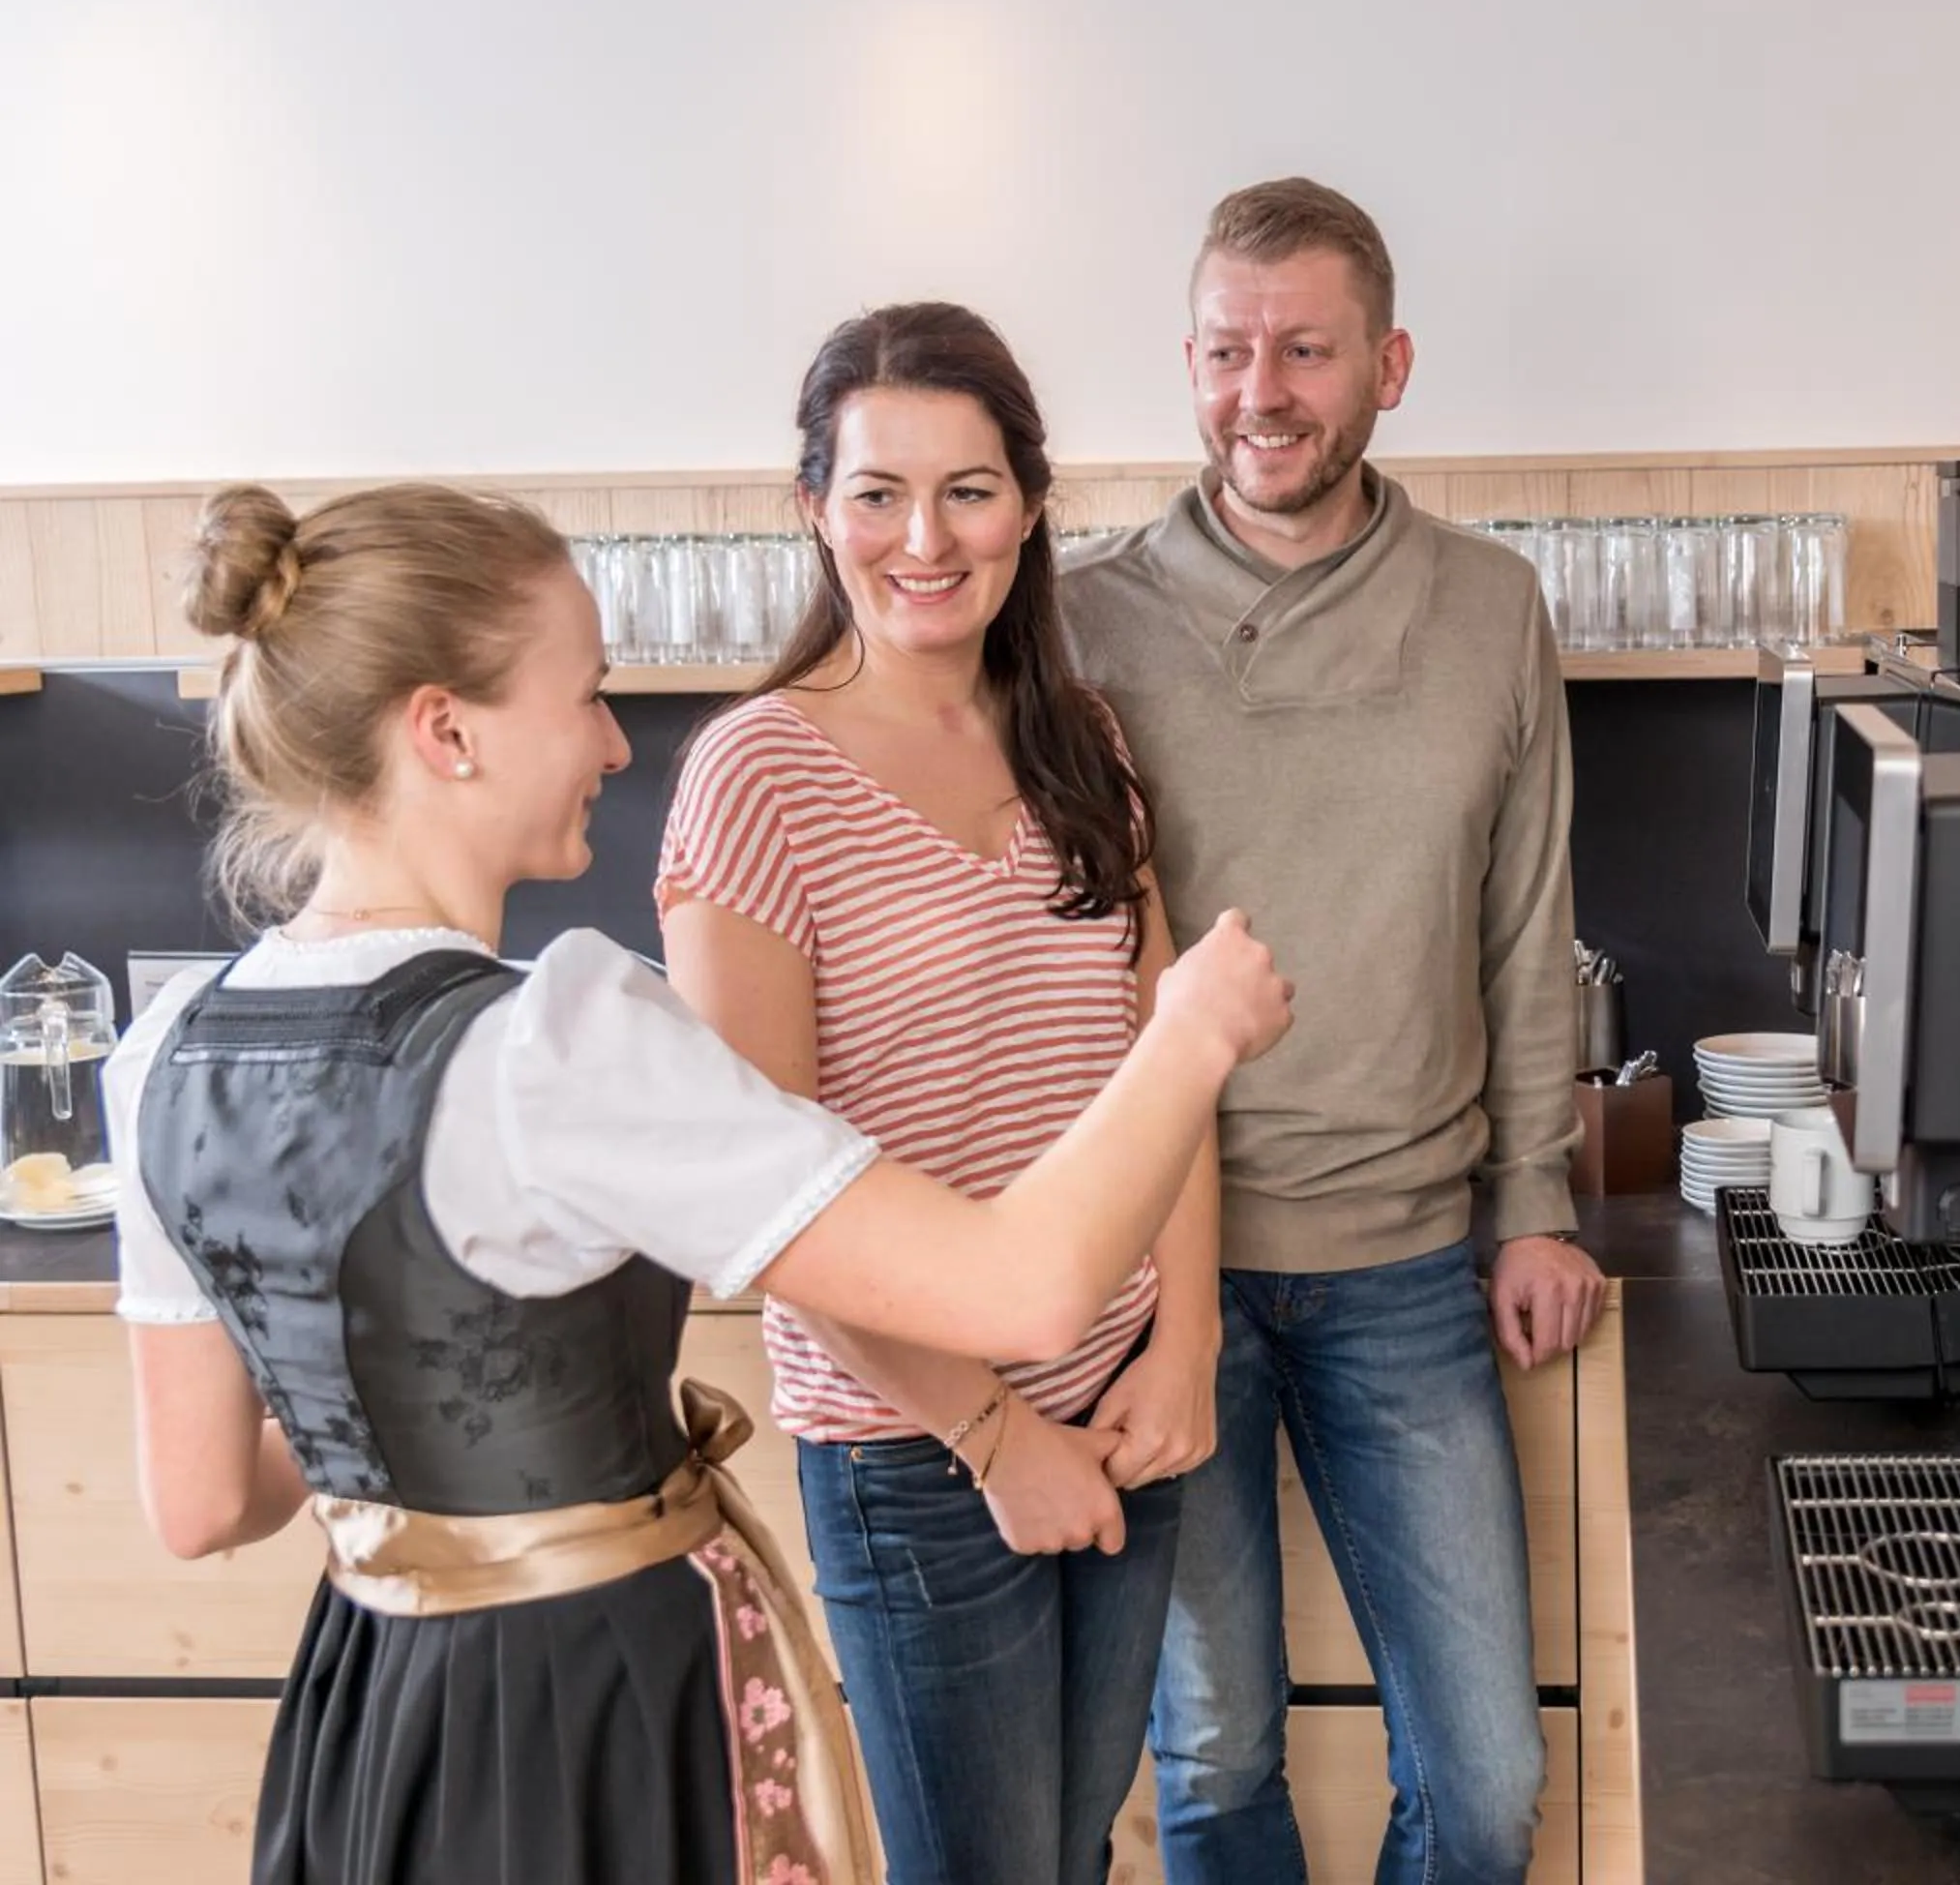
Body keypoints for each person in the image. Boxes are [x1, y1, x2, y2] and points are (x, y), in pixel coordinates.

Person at [109, 479, 1291, 1885]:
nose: (616, 744)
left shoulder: (164, 1052)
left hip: (375, 1709)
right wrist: (1190, 1036)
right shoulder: (561, 1039)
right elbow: (1023, 1290)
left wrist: (411, 1409)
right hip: (592, 1701)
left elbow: (203, 1502)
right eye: (586, 697)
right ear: (447, 731)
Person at [1062, 176, 1604, 1884]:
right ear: (1188, 363)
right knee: (1214, 1758)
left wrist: (1537, 1201)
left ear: (1390, 366)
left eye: (1305, 350)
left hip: (1407, 1269)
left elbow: (1526, 928)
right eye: (1227, 350)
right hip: (1159, 1280)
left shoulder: (1492, 606)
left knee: (1490, 1783)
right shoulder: (1076, 620)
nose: (1262, 391)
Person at [658, 301, 1220, 1884]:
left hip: (1124, 1409)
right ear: (813, 508)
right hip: (913, 1450)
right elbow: (764, 1201)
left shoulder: (1082, 742)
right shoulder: (756, 776)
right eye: (878, 493)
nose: (925, 539)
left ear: (1028, 508)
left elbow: (1165, 1067)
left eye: (968, 490)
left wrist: (1186, 1345)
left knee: (1071, 1855)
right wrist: (992, 1435)